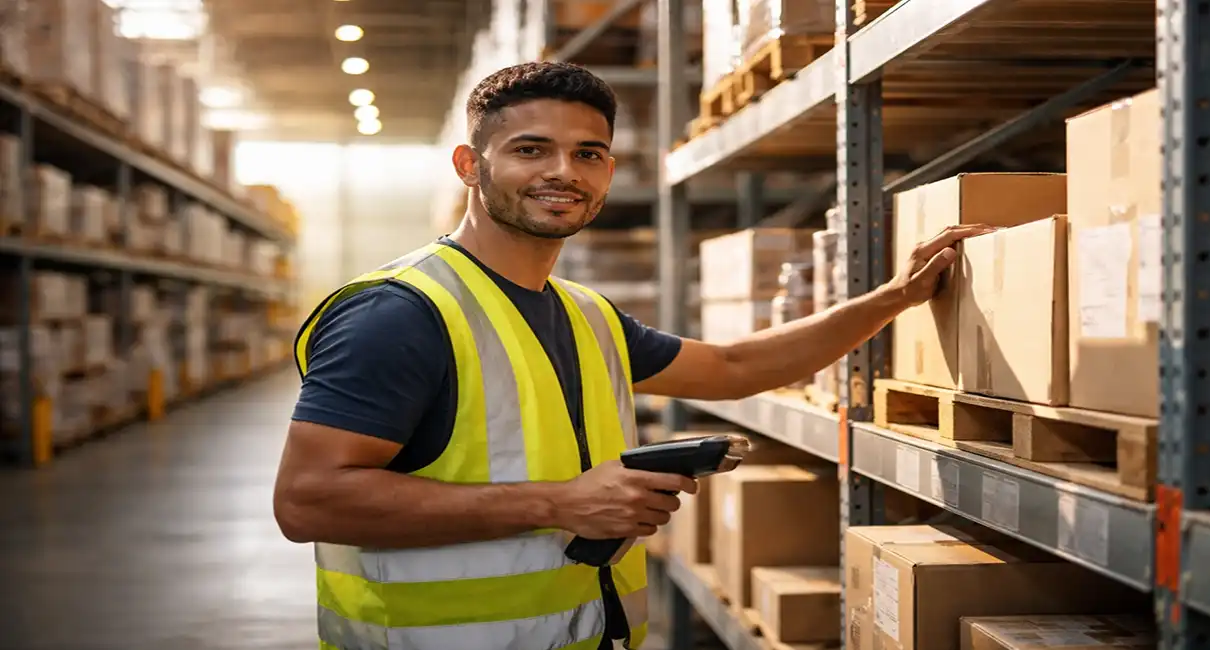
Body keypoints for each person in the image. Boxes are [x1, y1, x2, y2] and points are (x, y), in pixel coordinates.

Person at [272, 61, 991, 650]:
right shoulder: (398, 313)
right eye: (530, 150)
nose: (564, 171)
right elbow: (307, 501)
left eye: (589, 153)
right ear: (469, 165)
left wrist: (894, 298)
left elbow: (736, 369)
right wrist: (560, 502)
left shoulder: (585, 313)